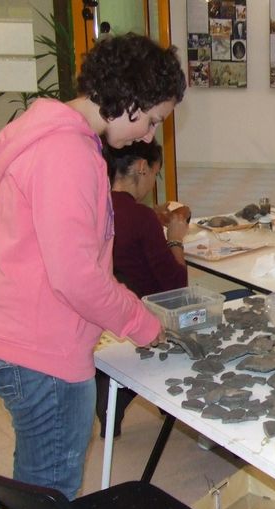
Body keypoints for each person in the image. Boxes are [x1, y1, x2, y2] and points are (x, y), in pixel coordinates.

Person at [0, 33, 186, 499]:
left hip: (16, 334)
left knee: (37, 478)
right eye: (152, 120)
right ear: (129, 99)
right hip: (40, 349)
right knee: (51, 496)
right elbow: (76, 277)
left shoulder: (57, 135)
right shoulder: (66, 152)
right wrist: (142, 323)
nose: (149, 136)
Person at [95, 139, 189, 438]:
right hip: (147, 315)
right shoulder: (141, 217)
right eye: (155, 174)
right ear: (141, 167)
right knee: (230, 299)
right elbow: (177, 286)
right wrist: (175, 238)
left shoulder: (95, 204)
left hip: (106, 314)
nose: (152, 182)